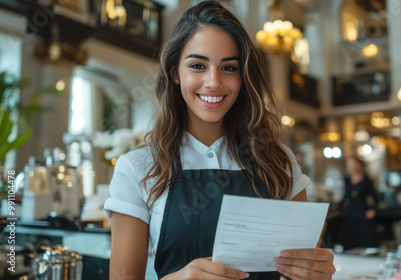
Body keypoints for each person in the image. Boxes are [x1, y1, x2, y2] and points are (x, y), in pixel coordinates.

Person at [103, 1, 336, 280]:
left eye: (228, 68)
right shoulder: (138, 167)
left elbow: (301, 268)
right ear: (175, 73)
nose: (213, 82)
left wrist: (317, 273)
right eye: (198, 65)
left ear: (244, 76)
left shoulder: (278, 160)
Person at [339, 156, 378, 250]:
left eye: (354, 164)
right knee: (349, 238)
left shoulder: (367, 180)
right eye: (350, 165)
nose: (351, 167)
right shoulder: (347, 179)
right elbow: (345, 196)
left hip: (362, 211)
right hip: (350, 211)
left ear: (359, 165)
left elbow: (375, 197)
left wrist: (373, 210)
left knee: (365, 237)